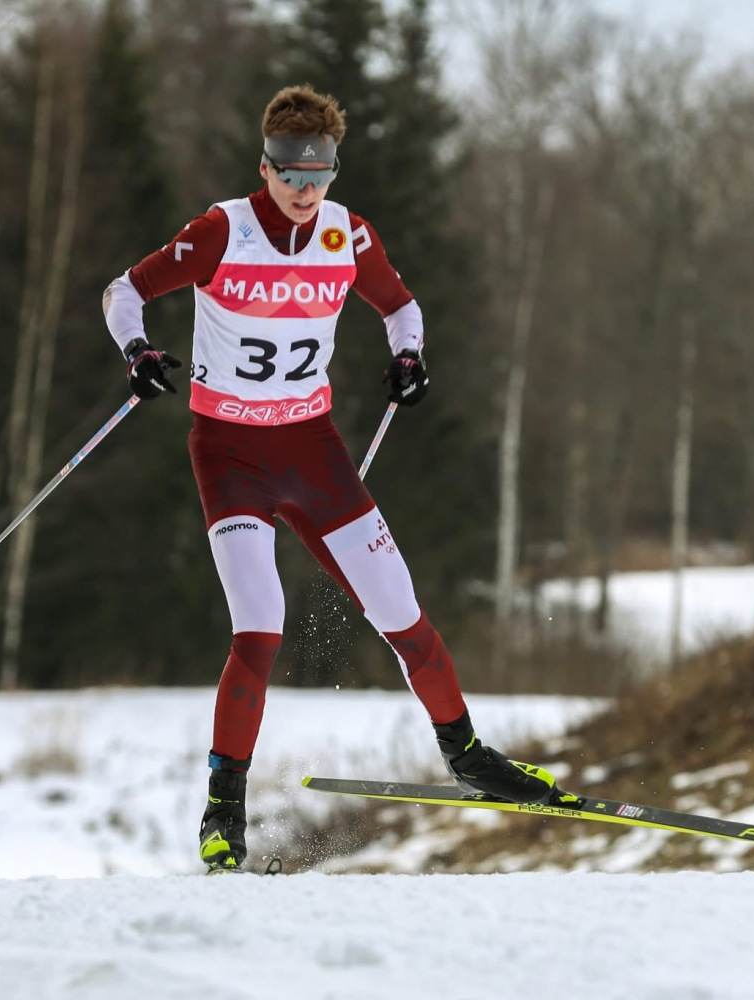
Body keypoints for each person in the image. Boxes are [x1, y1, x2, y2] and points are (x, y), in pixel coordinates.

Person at [101, 83, 569, 872]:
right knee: (262, 622)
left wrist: (410, 358)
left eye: (321, 177)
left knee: (402, 612)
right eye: (292, 177)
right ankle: (224, 808)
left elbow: (402, 307)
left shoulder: (346, 237)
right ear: (266, 168)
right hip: (230, 453)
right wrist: (138, 353)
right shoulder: (224, 229)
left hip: (314, 453)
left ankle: (467, 757)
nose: (307, 193)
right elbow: (124, 291)